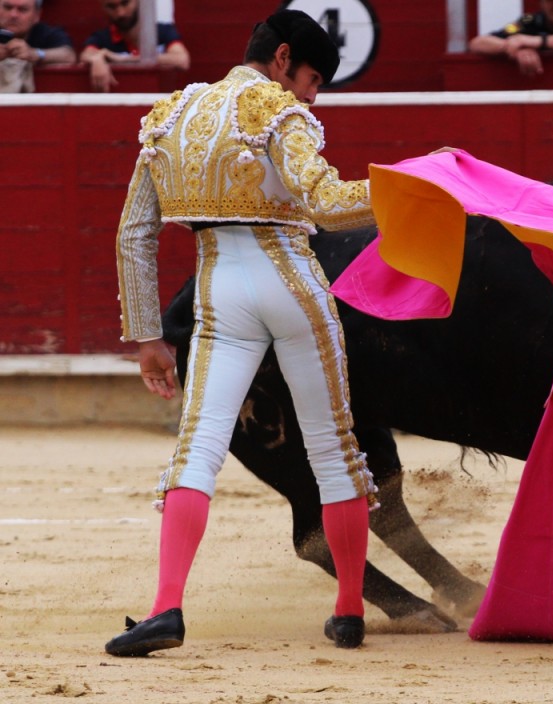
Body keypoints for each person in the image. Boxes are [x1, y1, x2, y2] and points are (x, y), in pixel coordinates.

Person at [106, 9, 383, 657]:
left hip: (217, 288)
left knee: (197, 446)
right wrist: (413, 187)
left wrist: (148, 336)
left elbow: (133, 233)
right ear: (283, 59)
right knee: (332, 448)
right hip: (291, 282)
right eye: (312, 77)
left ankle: (165, 608)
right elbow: (327, 204)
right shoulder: (280, 112)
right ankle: (348, 611)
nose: (312, 95)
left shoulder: (170, 116)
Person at [467, 0, 553, 77]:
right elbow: (477, 43)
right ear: (541, 3)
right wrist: (516, 49)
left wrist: (537, 42)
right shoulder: (530, 21)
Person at [79, 0, 190, 93]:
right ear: (103, 7)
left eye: (125, 3)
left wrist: (124, 59)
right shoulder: (102, 37)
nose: (120, 13)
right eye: (111, 6)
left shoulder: (162, 31)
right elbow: (86, 54)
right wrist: (96, 59)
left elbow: (182, 60)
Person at [0, 0, 74, 93]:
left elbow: (68, 55)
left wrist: (35, 54)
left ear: (37, 15)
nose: (13, 15)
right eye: (7, 8)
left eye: (22, 10)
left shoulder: (45, 33)